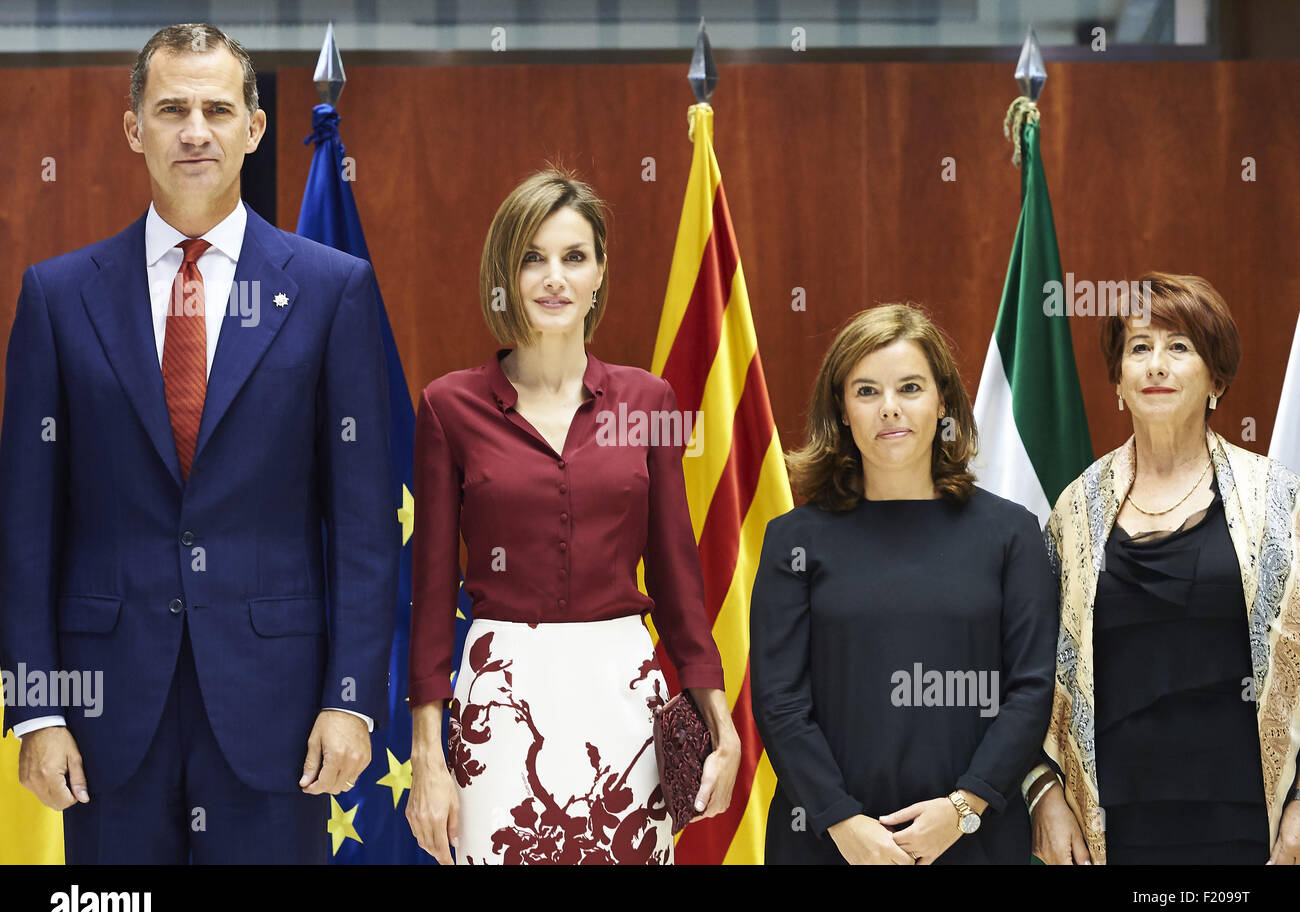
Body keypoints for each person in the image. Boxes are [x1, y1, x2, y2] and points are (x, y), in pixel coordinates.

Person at [0, 23, 398, 864]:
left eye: (217, 108)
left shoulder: (332, 293)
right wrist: (36, 708)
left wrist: (352, 699)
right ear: (132, 126)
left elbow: (364, 525)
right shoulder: (57, 295)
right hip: (102, 715)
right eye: (171, 107)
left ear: (254, 129)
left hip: (280, 714)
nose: (194, 130)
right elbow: (25, 528)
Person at [405, 166, 740, 865]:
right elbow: (432, 598)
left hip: (625, 699)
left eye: (573, 256)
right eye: (533, 257)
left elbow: (679, 578)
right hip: (500, 704)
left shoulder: (647, 403)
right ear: (506, 274)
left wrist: (718, 713)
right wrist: (426, 756)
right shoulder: (448, 407)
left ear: (598, 274)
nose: (554, 277)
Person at [750, 304, 1057, 864]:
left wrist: (965, 808)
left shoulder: (1010, 534)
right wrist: (842, 822)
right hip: (827, 842)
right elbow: (780, 703)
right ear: (841, 410)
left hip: (973, 838)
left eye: (910, 387)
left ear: (942, 401)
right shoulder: (794, 541)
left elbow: (1031, 690)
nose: (889, 408)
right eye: (866, 391)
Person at [1027, 272, 1300, 865]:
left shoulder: (1280, 502)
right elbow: (1025, 668)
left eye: (1179, 347)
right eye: (1139, 347)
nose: (1156, 364)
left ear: (1216, 380)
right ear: (1119, 382)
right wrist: (1042, 795)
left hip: (1254, 826)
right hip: (1109, 823)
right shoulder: (1075, 512)